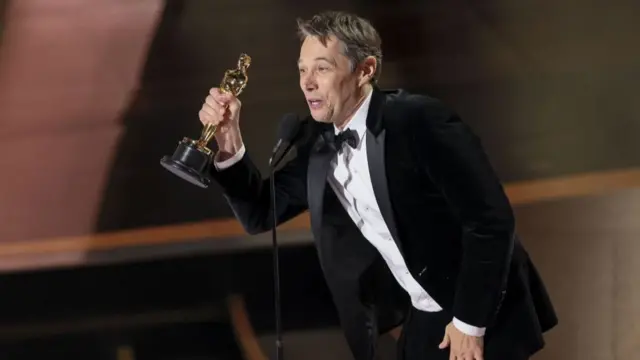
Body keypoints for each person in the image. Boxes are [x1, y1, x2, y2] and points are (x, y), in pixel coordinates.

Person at [198, 10, 557, 360]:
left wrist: (469, 324)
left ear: (365, 70)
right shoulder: (319, 144)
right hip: (423, 311)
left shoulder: (418, 121)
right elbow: (261, 213)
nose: (307, 82)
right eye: (302, 70)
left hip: (478, 306)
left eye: (322, 68)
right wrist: (228, 140)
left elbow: (490, 221)